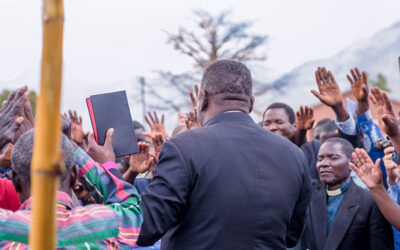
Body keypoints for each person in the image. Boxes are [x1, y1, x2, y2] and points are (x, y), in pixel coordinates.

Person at [137, 59, 312, 249]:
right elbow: (291, 236)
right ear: (251, 102)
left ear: (203, 99)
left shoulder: (184, 146)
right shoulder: (295, 155)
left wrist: (111, 172)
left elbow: (144, 228)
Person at [0, 128, 143, 248]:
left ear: (15, 180)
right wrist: (75, 151)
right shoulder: (105, 224)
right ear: (74, 175)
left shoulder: (5, 230)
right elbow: (131, 207)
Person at [300, 137, 393, 250]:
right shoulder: (308, 198)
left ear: (351, 163)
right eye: (320, 159)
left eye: (333, 158)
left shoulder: (369, 202)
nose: (323, 164)